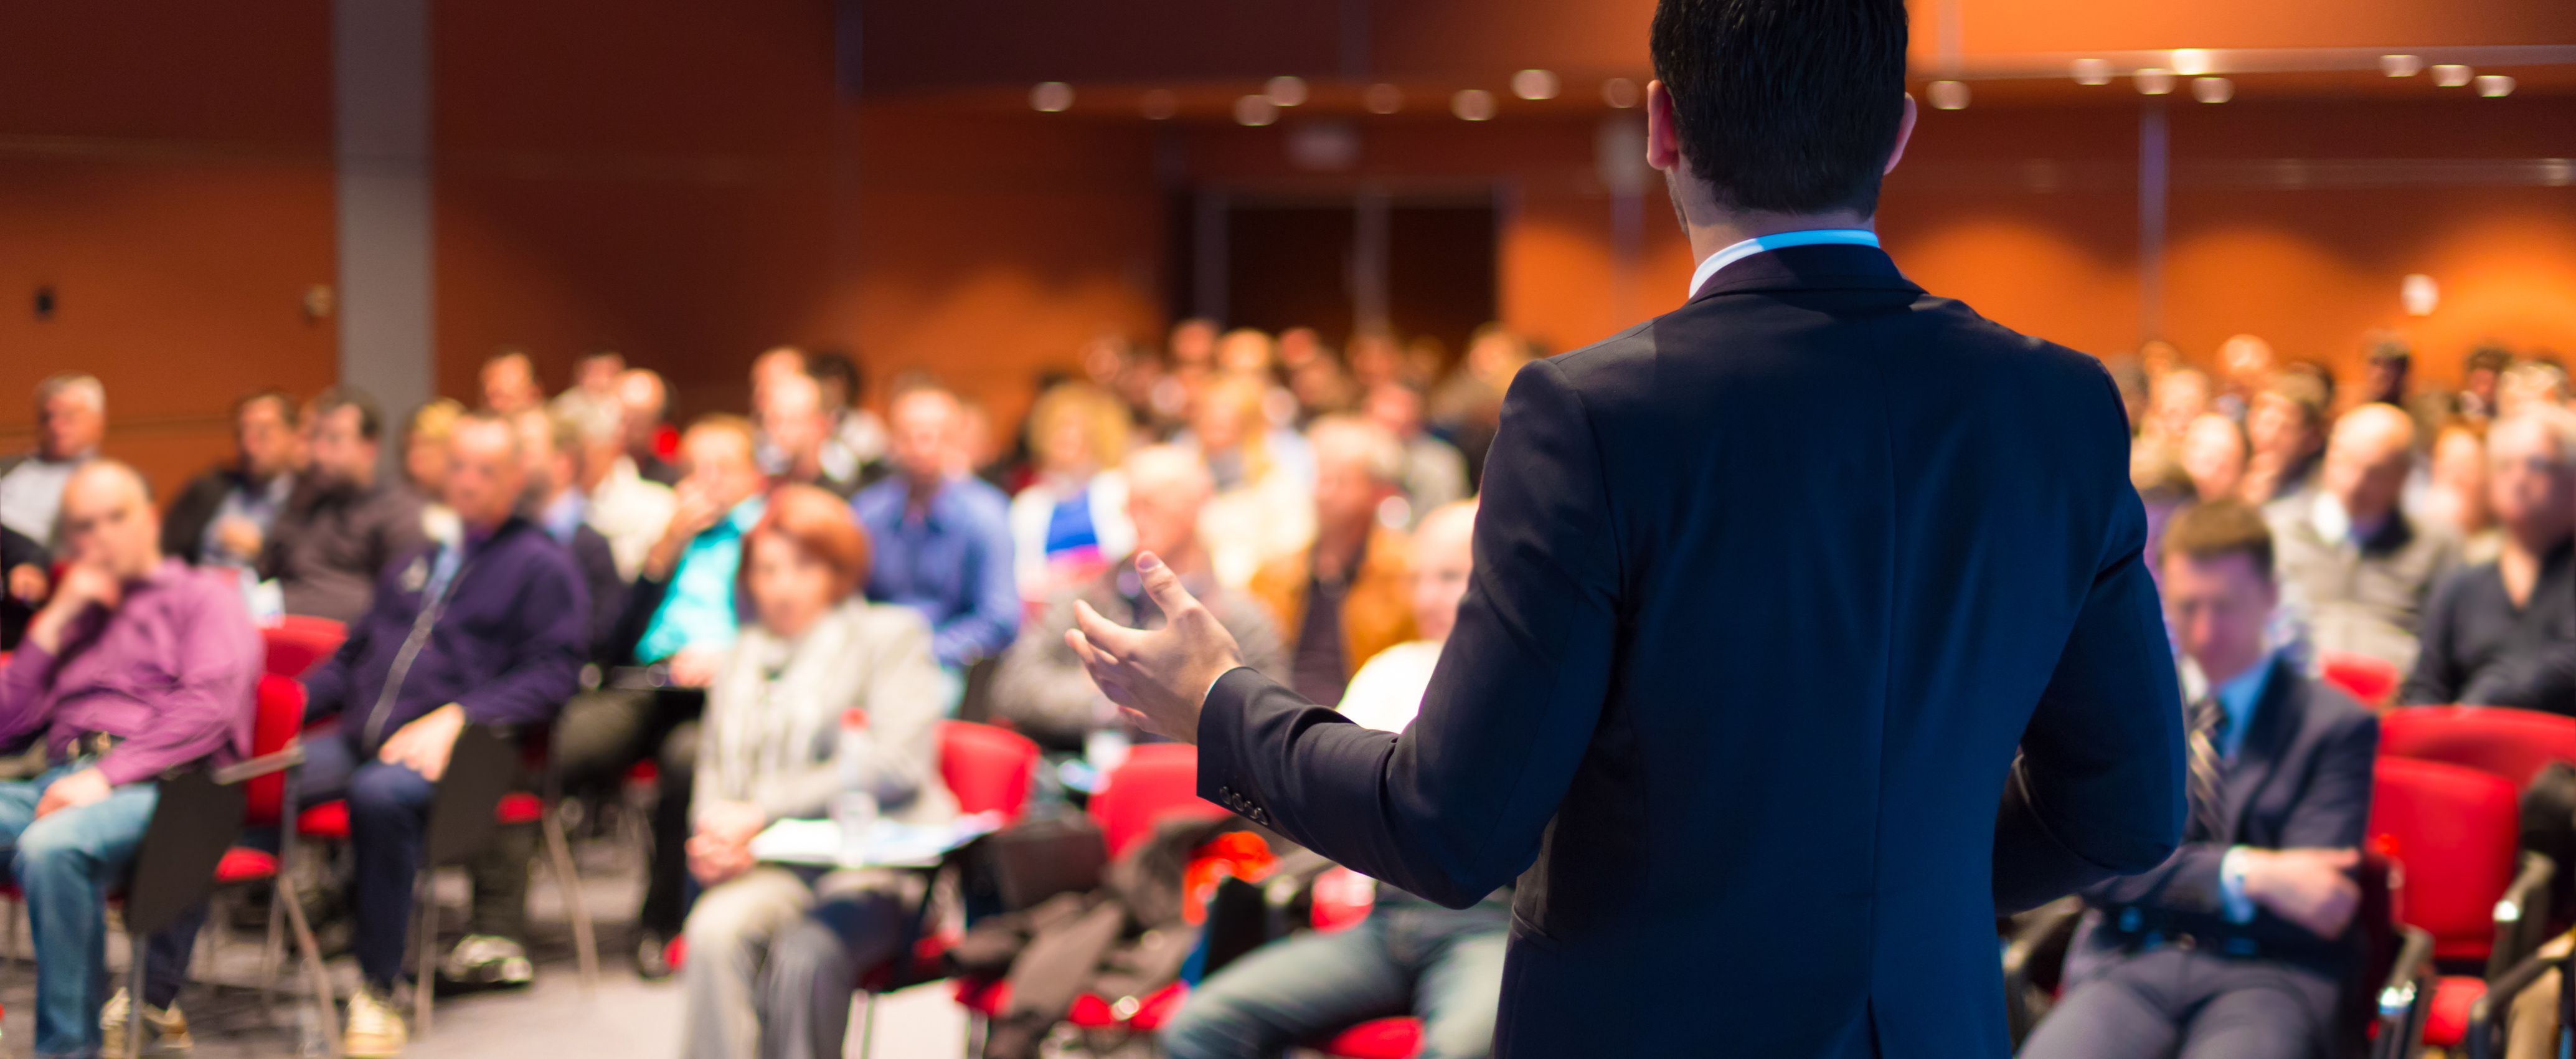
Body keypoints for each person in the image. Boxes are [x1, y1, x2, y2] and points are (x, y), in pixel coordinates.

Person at [1060, 1, 2188, 1052]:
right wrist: (1895, 879)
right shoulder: (2055, 406)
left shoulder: (1595, 416)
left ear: (1660, 124)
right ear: (1896, 134)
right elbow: (2128, 815)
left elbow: (1452, 828)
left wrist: (1220, 705)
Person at [2020, 500, 2376, 1059]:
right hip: (2132, 958)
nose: (2206, 632)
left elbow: (2320, 902)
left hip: (2267, 974)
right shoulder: (2130, 709)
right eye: (2188, 608)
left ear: (2270, 597)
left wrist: (2162, 874)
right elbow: (2096, 873)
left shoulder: (2337, 725)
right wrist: (2248, 873)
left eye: (2226, 607)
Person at [1161, 500, 1503, 1059]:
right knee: (1197, 1027)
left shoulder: (1526, 690)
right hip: (1385, 919)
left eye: (1448, 577)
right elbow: (1319, 789)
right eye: (1418, 579)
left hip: (1484, 925)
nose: (1425, 598)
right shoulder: (1393, 668)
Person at [297, 411, 588, 1057]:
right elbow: (354, 656)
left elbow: (554, 674)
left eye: (486, 470)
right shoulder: (419, 557)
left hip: (467, 753)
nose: (467, 482)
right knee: (247, 778)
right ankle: (163, 987)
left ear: (516, 478)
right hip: (360, 734)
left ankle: (380, 987)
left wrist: (461, 716)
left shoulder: (542, 565)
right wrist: (286, 706)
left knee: (379, 796)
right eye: (458, 466)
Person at [677, 485, 955, 1059]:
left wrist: (761, 809)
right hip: (773, 863)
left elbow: (894, 764)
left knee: (807, 951)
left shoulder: (888, 636)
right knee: (713, 929)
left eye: (803, 567)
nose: (782, 586)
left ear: (839, 570)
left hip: (872, 864)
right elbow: (713, 768)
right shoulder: (742, 654)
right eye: (767, 570)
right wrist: (712, 836)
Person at [0, 461, 258, 1058]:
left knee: (51, 846)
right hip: (66, 775)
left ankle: (69, 1049)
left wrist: (105, 774)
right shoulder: (80, 615)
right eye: (83, 527)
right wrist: (55, 622)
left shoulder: (205, 599)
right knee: (52, 833)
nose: (99, 539)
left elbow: (208, 708)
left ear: (147, 521)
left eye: (113, 519)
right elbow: (10, 728)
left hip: (171, 789)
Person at [556, 414, 770, 979]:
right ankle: (493, 922)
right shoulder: (673, 534)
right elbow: (614, 641)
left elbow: (789, 633)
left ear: (755, 477)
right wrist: (661, 554)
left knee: (685, 763)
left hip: (726, 696)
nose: (708, 483)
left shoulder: (769, 536)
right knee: (563, 744)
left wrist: (731, 658)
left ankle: (664, 922)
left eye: (723, 469)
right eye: (696, 470)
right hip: (648, 683)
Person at [991, 445, 1285, 754]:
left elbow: (1262, 725)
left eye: (1149, 504)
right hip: (1072, 779)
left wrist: (1131, 692)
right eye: (1128, 506)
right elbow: (1013, 689)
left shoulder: (1242, 619)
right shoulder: (1086, 597)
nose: (1134, 518)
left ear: (1196, 504)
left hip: (1183, 789)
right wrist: (1113, 699)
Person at [2400, 407, 2576, 712]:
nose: (2519, 478)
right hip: (2464, 750)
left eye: (2537, 464)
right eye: (2505, 466)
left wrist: (2479, 707)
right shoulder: (2462, 585)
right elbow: (2426, 687)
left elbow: (2567, 667)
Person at [2267, 403, 2461, 673]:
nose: (2354, 482)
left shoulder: (2436, 546)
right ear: (2330, 454)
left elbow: (2446, 651)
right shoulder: (2277, 529)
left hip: (2393, 699)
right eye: (2346, 462)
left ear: (2403, 475)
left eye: (2374, 472)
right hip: (2298, 697)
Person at [849, 384, 1019, 673]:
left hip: (947, 662)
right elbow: (846, 599)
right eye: (908, 436)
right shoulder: (867, 511)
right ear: (891, 441)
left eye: (934, 436)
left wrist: (925, 653)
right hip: (873, 656)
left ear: (955, 440)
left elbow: (1000, 618)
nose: (921, 447)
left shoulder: (987, 514)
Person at [1248, 417, 1416, 708]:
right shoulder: (1272, 573)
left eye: (1339, 481)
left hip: (1364, 729)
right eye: (1319, 477)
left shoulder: (1407, 573)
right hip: (1281, 721)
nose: (1321, 492)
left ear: (1378, 493)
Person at [263, 387, 428, 624]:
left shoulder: (400, 512)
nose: (319, 453)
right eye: (314, 438)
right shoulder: (305, 505)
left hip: (351, 651)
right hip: (281, 639)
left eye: (334, 439)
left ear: (369, 446)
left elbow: (400, 609)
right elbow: (264, 575)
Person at [1007, 382, 1136, 601]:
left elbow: (1128, 555)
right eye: (1059, 429)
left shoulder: (1119, 488)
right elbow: (1022, 577)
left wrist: (1076, 571)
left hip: (1115, 603)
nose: (1068, 436)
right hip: (1051, 609)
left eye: (1078, 430)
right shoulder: (1029, 503)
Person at [516, 408, 627, 657]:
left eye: (524, 449)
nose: (511, 460)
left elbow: (595, 640)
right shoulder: (501, 537)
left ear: (562, 463)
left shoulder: (591, 547)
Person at [1189, 374, 1315, 590]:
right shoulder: (1187, 474)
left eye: (1225, 424)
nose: (1214, 432)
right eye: (1208, 422)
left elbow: (1292, 550)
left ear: (1250, 427)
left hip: (1253, 596)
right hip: (1194, 590)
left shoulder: (1275, 484)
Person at [163, 389, 304, 572]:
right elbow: (166, 556)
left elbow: (318, 575)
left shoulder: (313, 501)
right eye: (242, 433)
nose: (249, 445)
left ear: (294, 437)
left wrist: (261, 550)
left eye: (263, 433)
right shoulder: (208, 490)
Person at [567, 396, 678, 582]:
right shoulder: (547, 506)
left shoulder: (660, 505)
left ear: (612, 446)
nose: (569, 465)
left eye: (581, 455)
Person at [0, 373, 106, 555]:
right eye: (47, 417)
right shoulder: (8, 467)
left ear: (97, 421)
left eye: (68, 416)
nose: (55, 426)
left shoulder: (109, 482)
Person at [1362, 382, 1470, 528]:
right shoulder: (1345, 453)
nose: (1396, 414)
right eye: (1388, 403)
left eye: (1404, 406)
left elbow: (1448, 519)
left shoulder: (1441, 461)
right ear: (1367, 410)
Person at [757, 372, 862, 499]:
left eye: (793, 421)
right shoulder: (765, 489)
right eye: (775, 420)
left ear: (821, 425)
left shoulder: (845, 493)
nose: (780, 431)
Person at [2240, 369, 2330, 510]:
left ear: (2312, 439)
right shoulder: (2235, 469)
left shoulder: (2322, 496)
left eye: (2284, 427)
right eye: (2258, 418)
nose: (2265, 435)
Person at [2422, 422, 2501, 563]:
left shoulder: (2502, 548)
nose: (2454, 477)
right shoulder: (2414, 534)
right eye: (2445, 462)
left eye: (2466, 466)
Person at [808, 349, 889, 486]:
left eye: (839, 380)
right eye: (826, 378)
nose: (833, 386)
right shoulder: (805, 423)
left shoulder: (867, 425)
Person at [400, 398, 466, 544]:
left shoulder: (480, 512)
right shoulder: (395, 510)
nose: (413, 459)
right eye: (410, 447)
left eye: (425, 446)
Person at [619, 368, 684, 487]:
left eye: (640, 420)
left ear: (657, 422)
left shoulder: (669, 479)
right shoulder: (588, 472)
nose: (626, 428)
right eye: (622, 417)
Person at [2179, 414, 2247, 505]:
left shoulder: (2245, 515)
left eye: (2224, 468)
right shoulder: (2165, 507)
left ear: (2239, 473)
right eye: (2206, 462)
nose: (2211, 474)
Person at [480, 348, 546, 415]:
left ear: (535, 392)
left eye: (507, 377)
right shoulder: (475, 422)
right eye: (489, 379)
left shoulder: (553, 419)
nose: (490, 388)